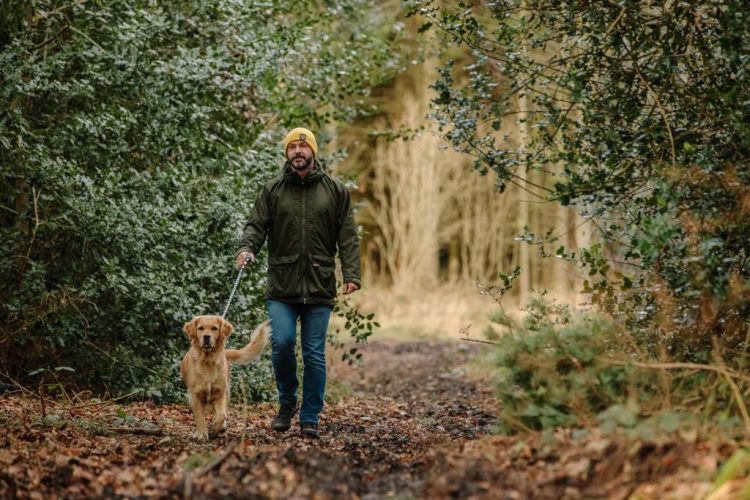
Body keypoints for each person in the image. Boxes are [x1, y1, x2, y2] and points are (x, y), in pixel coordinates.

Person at [236, 127, 361, 439]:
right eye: (292, 147)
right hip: (282, 284)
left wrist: (352, 274)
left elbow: (347, 236)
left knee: (315, 353)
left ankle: (310, 417)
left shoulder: (334, 191)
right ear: (286, 153)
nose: (297, 152)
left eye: (303, 147)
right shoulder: (273, 190)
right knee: (281, 342)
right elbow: (256, 225)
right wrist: (246, 248)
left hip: (319, 284)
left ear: (313, 153)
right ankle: (287, 402)